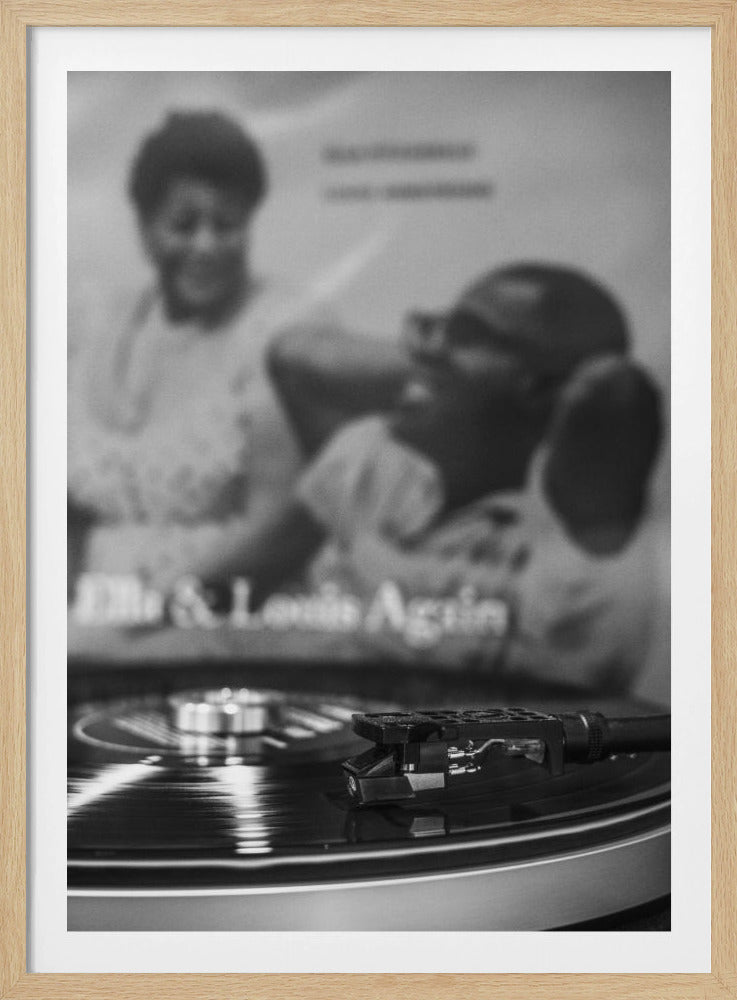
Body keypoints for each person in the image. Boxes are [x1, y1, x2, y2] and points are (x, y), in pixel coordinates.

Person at [190, 263, 664, 693]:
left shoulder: (576, 565)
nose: (419, 349)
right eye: (432, 326)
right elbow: (221, 587)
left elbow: (612, 391)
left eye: (465, 332)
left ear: (542, 390)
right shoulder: (371, 450)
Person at [67, 110, 322, 613]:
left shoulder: (280, 333)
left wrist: (141, 616)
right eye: (184, 225)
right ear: (145, 228)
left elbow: (281, 531)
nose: (206, 246)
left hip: (230, 619)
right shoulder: (97, 324)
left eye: (226, 225)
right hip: (86, 621)